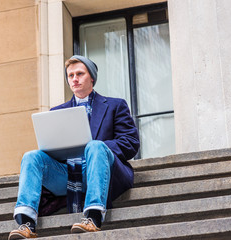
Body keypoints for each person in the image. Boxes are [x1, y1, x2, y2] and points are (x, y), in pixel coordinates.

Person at [8, 55, 140, 239]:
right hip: (68, 174)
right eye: (70, 75)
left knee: (94, 146)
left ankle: (93, 218)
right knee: (31, 156)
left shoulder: (115, 105)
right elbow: (50, 149)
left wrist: (96, 148)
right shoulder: (56, 112)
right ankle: (27, 223)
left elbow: (131, 143)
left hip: (103, 171)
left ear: (91, 77)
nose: (74, 79)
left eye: (80, 74)